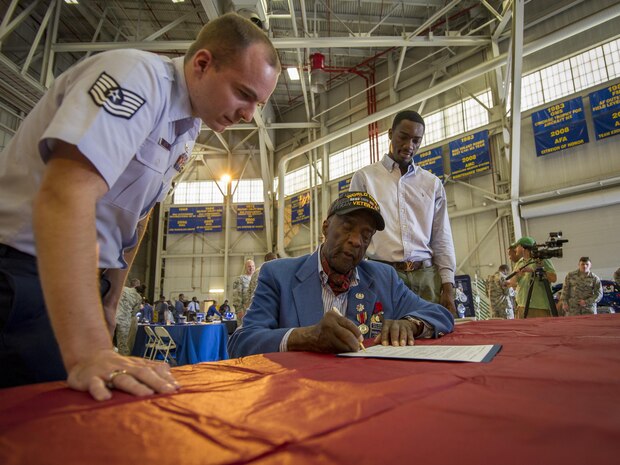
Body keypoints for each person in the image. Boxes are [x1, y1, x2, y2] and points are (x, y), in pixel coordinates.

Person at [0, 13, 280, 399]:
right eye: (244, 94)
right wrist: (92, 350)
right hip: (22, 273)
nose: (249, 114)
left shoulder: (186, 128)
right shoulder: (136, 77)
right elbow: (66, 194)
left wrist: (111, 301)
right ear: (202, 64)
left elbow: (138, 215)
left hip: (78, 283)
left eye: (258, 103)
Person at [228, 192, 454, 358]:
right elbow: (242, 342)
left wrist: (410, 324)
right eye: (347, 227)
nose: (356, 240)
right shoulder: (278, 274)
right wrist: (307, 337)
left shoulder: (384, 277)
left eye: (366, 235)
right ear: (325, 228)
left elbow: (439, 314)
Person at [349, 110, 456, 316]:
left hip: (427, 279)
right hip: (381, 277)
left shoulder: (432, 184)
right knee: (383, 340)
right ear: (390, 134)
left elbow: (442, 237)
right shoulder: (364, 179)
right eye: (403, 137)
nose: (409, 146)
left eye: (416, 140)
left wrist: (448, 286)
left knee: (429, 342)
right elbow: (355, 235)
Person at [508, 237, 557, 319]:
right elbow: (512, 283)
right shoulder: (519, 263)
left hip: (539, 306)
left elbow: (553, 278)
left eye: (517, 246)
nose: (515, 249)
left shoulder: (541, 259)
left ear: (523, 248)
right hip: (522, 305)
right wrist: (517, 275)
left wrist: (534, 271)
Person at [114, 278, 143, 356]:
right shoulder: (139, 297)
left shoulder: (123, 289)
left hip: (112, 317)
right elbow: (134, 313)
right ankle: (123, 362)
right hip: (125, 320)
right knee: (122, 344)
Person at [232, 259, 256, 323]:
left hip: (255, 310)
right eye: (249, 266)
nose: (251, 268)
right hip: (244, 311)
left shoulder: (257, 279)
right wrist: (239, 311)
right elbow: (236, 296)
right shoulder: (240, 279)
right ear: (245, 267)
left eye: (253, 266)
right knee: (243, 330)